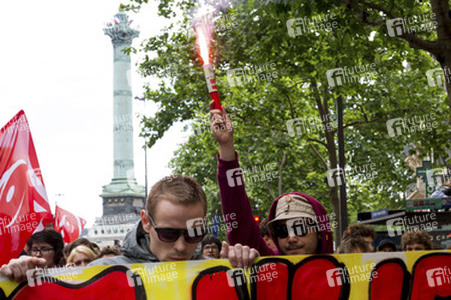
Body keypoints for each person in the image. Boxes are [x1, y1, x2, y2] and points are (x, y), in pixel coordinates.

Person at [210, 103, 333, 256]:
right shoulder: (269, 265)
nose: (291, 238)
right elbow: (239, 219)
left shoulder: (342, 271)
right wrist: (226, 146)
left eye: (300, 228)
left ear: (320, 232)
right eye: (282, 231)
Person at [89, 175, 259, 268]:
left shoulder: (221, 273)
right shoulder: (101, 275)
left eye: (194, 233)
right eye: (168, 234)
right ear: (146, 222)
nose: (181, 246)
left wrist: (253, 269)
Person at [0, 229, 64, 281]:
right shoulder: (26, 276)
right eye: (34, 249)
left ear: (57, 252)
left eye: (44, 249)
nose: (38, 254)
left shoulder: (68, 276)